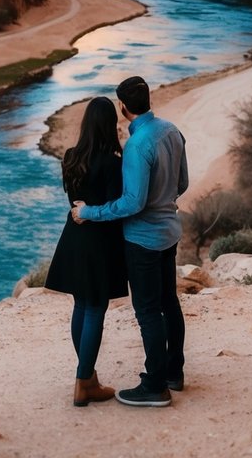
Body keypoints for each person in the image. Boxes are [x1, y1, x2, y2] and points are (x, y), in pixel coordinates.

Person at [72, 75, 188, 408]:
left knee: (149, 312)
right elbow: (182, 182)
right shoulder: (172, 131)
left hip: (143, 239)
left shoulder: (137, 146)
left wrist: (90, 212)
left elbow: (132, 204)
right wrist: (163, 200)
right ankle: (173, 373)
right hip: (169, 232)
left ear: (123, 107)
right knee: (169, 303)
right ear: (147, 99)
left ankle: (154, 386)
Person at [45, 95, 128, 407]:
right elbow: (115, 208)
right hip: (99, 242)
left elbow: (74, 202)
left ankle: (88, 377)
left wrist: (85, 208)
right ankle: (84, 383)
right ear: (108, 125)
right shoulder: (112, 163)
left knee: (81, 306)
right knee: (94, 309)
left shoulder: (70, 157)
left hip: (73, 237)